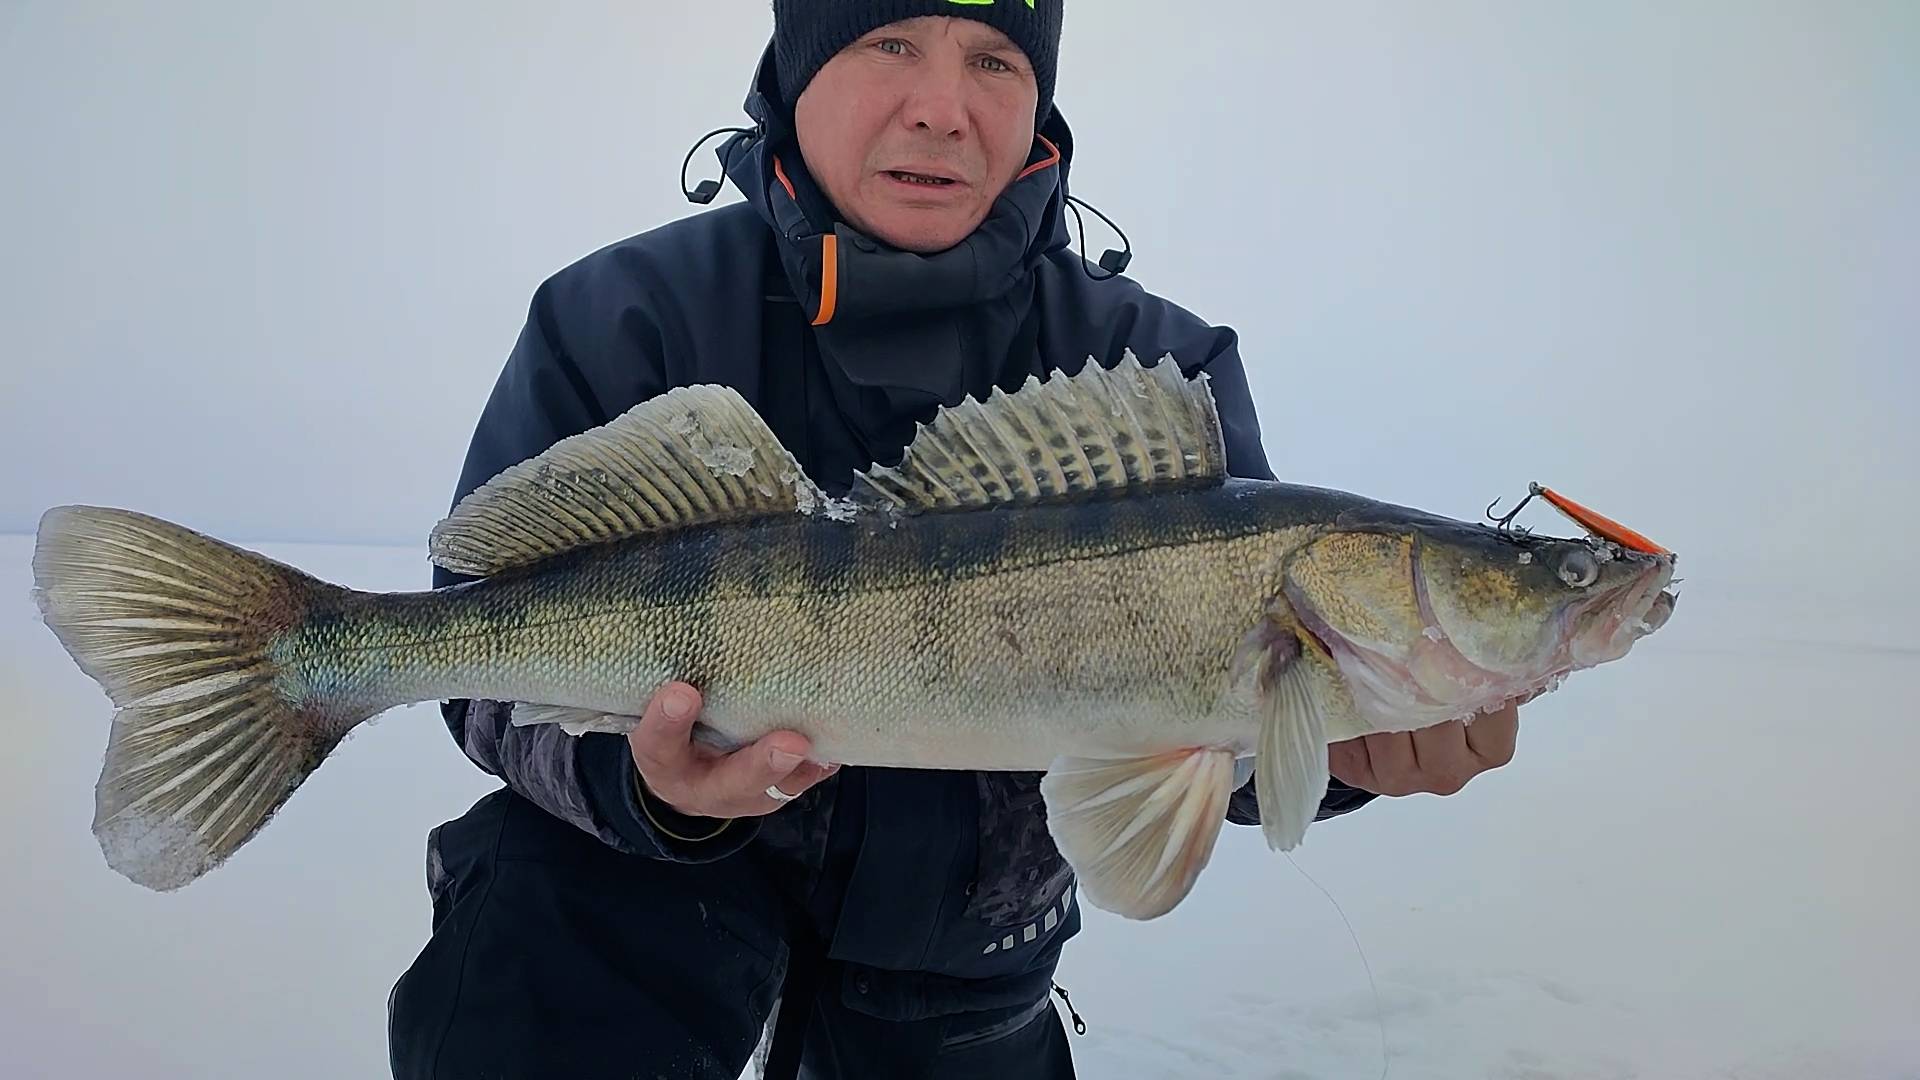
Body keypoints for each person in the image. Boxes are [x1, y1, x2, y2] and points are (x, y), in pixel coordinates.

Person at [386, 4, 1522, 1078]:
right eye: (890, 41)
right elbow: (479, 654)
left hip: (965, 966)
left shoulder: (1156, 371)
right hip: (621, 914)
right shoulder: (631, 314)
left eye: (995, 61)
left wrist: (1332, 756)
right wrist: (647, 792)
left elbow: (1203, 743)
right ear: (797, 67)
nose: (942, 106)